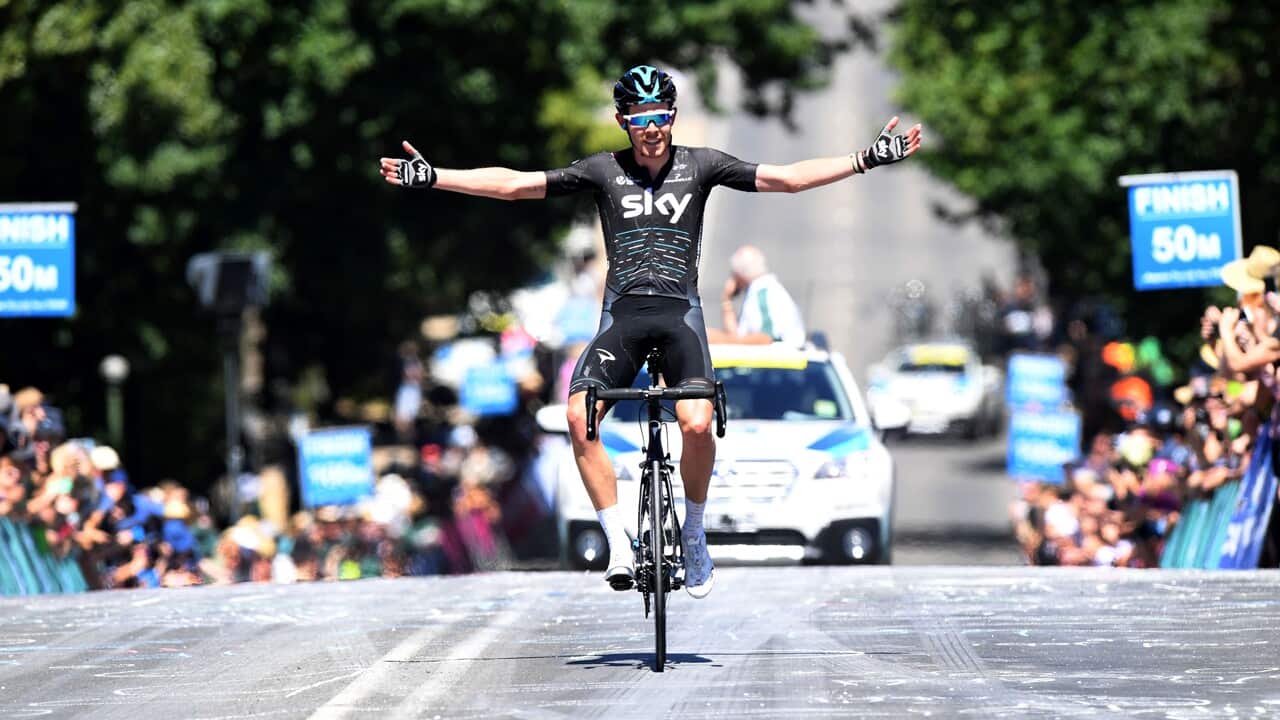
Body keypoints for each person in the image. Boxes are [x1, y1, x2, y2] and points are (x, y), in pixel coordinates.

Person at [380, 65, 921, 596]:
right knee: (577, 414)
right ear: (622, 120)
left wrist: (866, 158)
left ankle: (692, 532)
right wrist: (434, 176)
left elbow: (787, 179)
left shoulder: (702, 165)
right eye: (641, 118)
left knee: (696, 421)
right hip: (624, 320)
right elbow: (514, 185)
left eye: (662, 115)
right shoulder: (601, 171)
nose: (653, 128)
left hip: (679, 316)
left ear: (674, 116)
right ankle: (618, 540)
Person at [708, 245, 806, 347]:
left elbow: (765, 338)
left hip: (780, 360)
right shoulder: (759, 291)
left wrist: (719, 339)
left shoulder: (763, 295)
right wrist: (726, 301)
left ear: (738, 274)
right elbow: (735, 335)